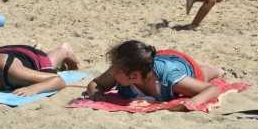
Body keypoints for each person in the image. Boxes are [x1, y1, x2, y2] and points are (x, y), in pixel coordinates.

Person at [86, 40, 225, 105]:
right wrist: (96, 93)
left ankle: (216, 69)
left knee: (203, 75)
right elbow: (95, 83)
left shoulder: (170, 78)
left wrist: (195, 101)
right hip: (151, 59)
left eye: (117, 71)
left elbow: (212, 89)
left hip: (180, 65)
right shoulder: (121, 69)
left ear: (134, 76)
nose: (113, 74)